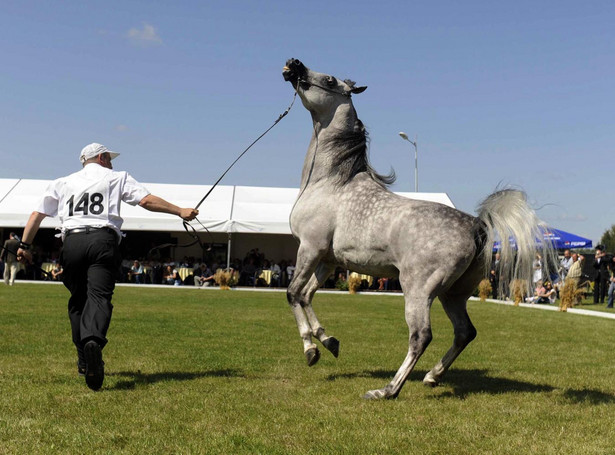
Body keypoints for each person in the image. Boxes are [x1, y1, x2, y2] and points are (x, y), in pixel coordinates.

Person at [16, 143, 198, 391]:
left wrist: (24, 245)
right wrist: (180, 211)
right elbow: (145, 201)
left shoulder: (62, 182)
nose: (112, 163)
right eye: (109, 158)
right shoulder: (117, 177)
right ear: (100, 157)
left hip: (72, 241)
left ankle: (83, 358)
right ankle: (93, 342)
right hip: (103, 240)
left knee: (78, 300)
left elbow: (37, 215)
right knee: (99, 296)